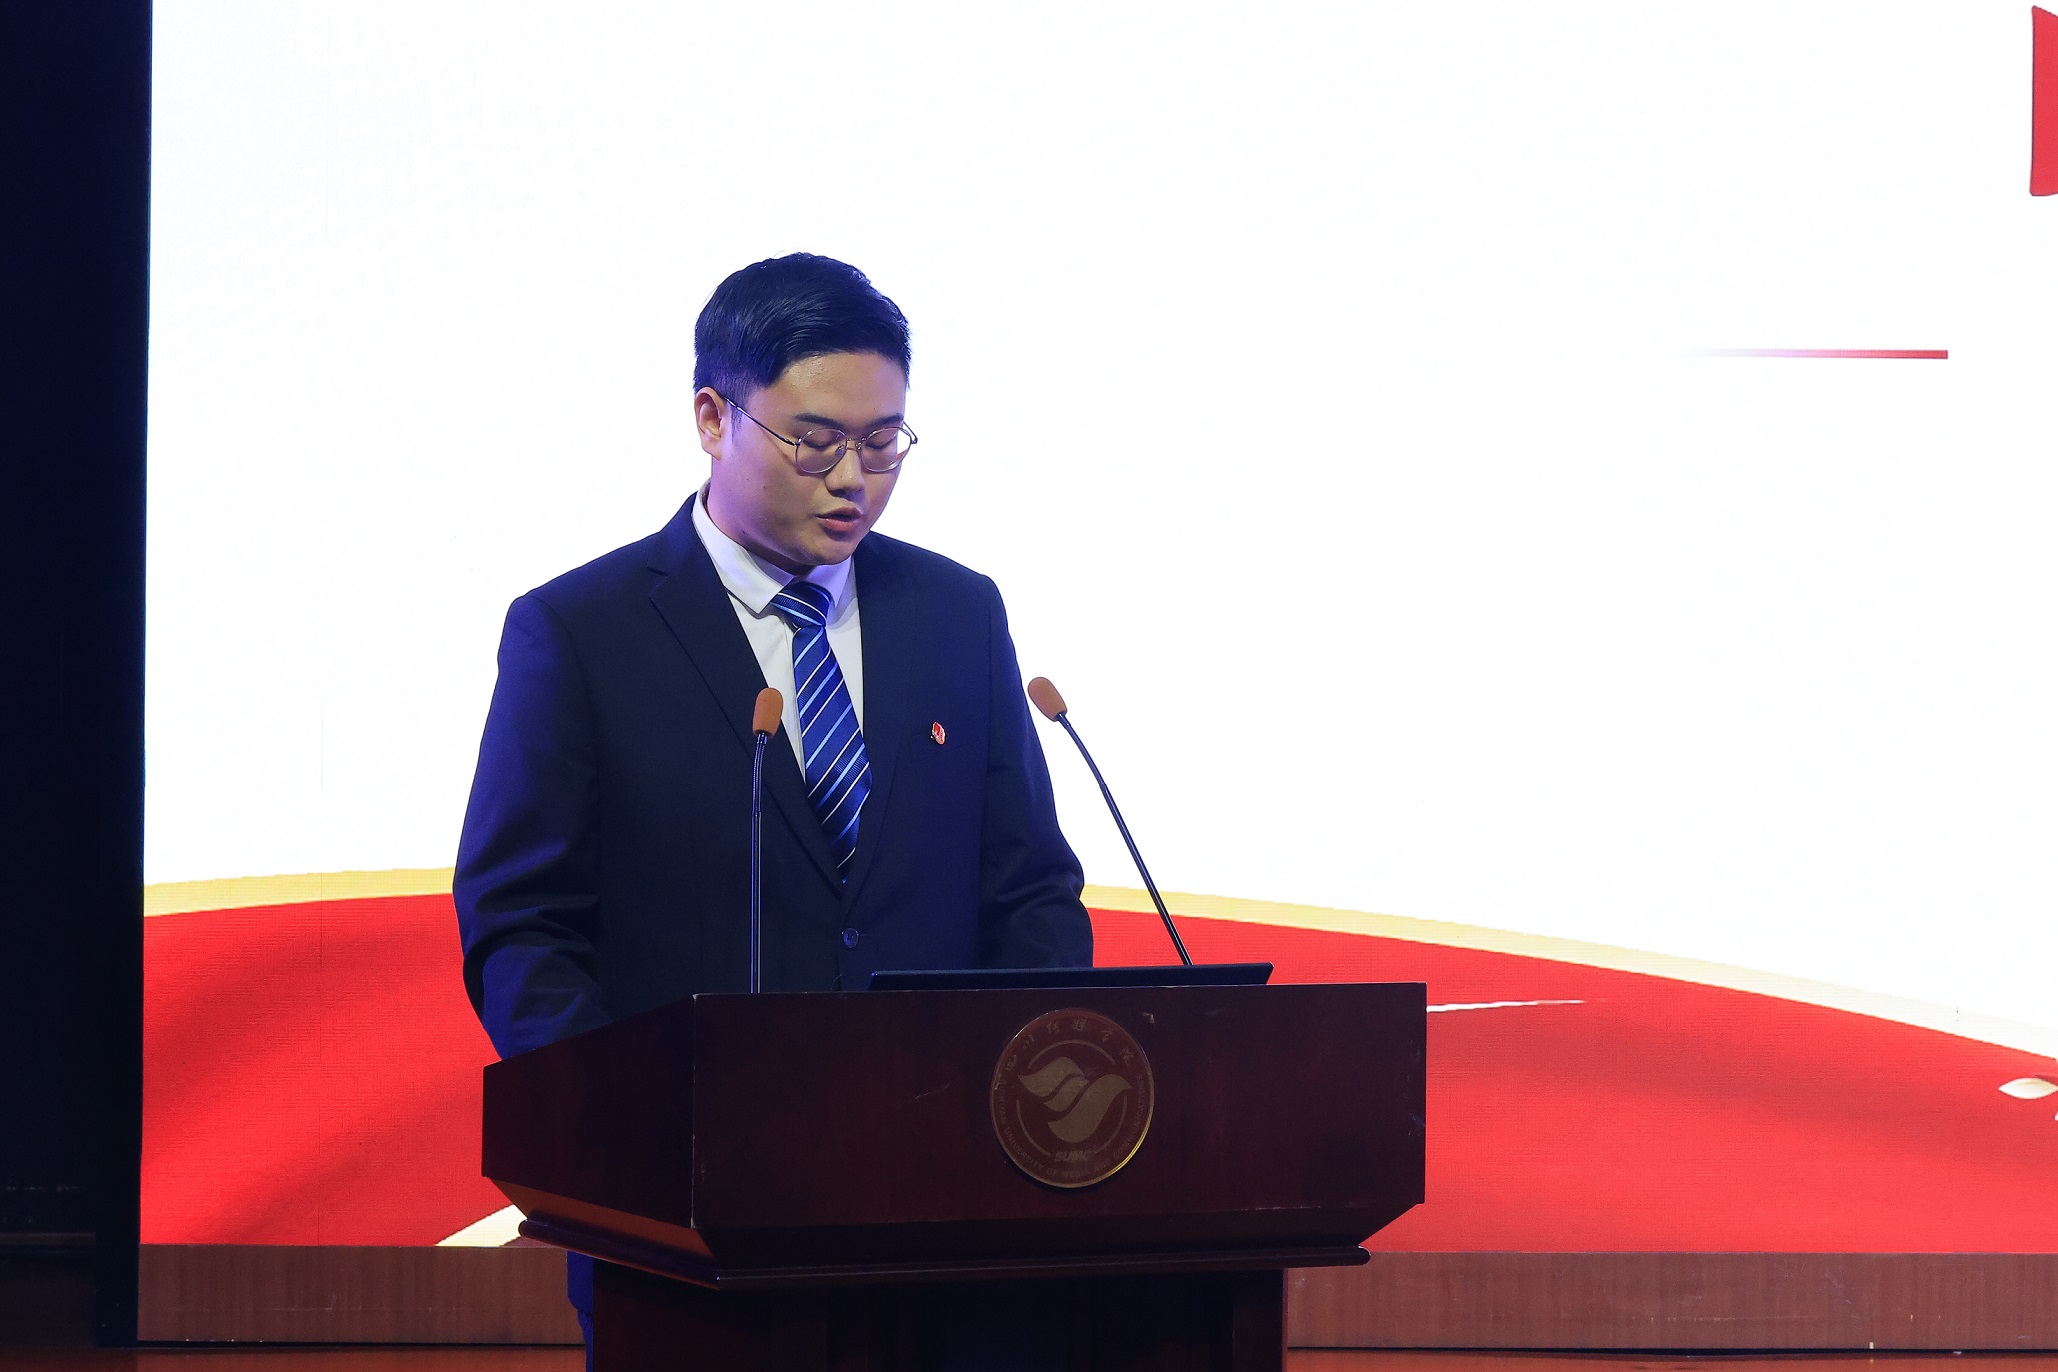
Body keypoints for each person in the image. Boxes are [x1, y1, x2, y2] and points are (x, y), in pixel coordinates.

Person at [453, 253, 1093, 1355]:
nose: (855, 479)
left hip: (945, 1223)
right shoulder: (581, 632)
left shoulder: (956, 612)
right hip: (683, 1231)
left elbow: (1030, 890)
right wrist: (619, 1123)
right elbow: (523, 924)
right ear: (713, 418)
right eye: (816, 440)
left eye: (883, 442)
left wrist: (1025, 1095)